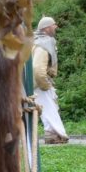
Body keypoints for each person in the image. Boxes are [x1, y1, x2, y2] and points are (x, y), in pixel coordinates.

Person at [33, 16, 68, 144]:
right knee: (50, 107)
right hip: (38, 82)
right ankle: (55, 134)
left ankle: (53, 134)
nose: (56, 27)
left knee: (47, 107)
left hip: (30, 82)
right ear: (47, 28)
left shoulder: (34, 40)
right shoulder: (44, 43)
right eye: (54, 25)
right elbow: (37, 69)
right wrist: (45, 84)